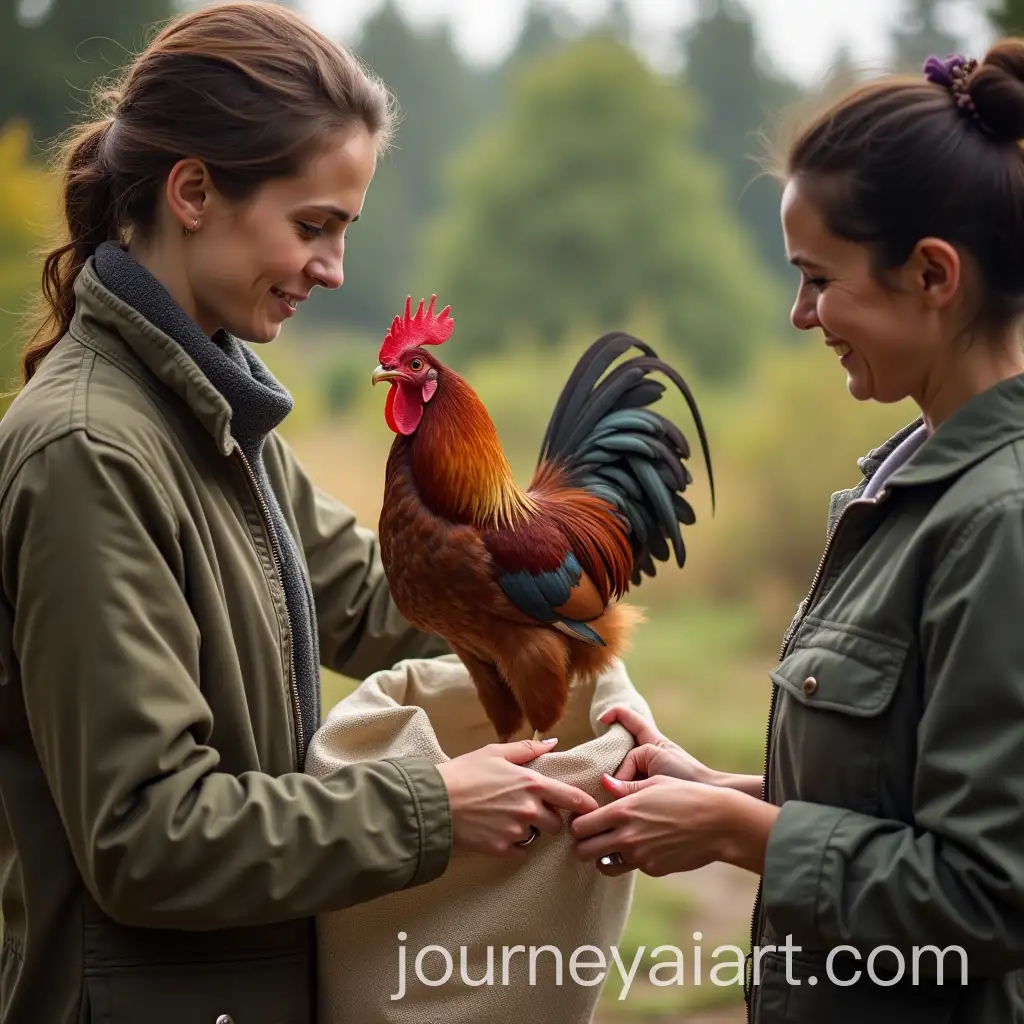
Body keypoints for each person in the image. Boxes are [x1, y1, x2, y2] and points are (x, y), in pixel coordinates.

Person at [0, 4, 599, 1022]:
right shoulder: (92, 451)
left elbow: (383, 599)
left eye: (344, 230)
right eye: (312, 225)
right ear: (192, 191)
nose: (333, 269)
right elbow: (148, 836)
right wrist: (433, 807)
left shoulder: (214, 414)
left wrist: (586, 664)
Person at [571, 39, 1024, 1024]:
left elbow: (986, 893)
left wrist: (740, 830)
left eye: (818, 278)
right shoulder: (912, 489)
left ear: (933, 275)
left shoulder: (999, 525)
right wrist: (719, 787)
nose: (798, 313)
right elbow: (899, 791)